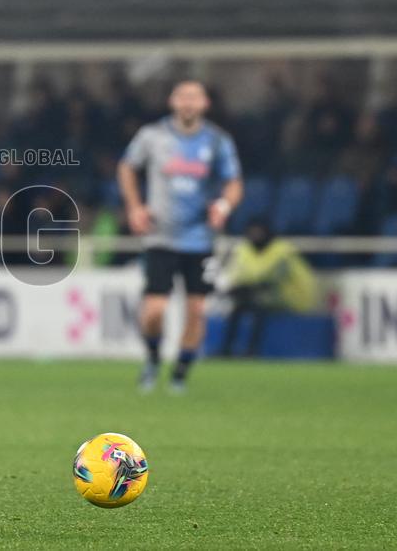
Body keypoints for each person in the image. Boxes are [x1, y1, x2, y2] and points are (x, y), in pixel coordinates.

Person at [117, 80, 243, 393]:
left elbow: (234, 182)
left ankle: (180, 374)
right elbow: (127, 168)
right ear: (172, 101)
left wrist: (224, 206)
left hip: (200, 239)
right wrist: (134, 207)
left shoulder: (216, 141)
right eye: (183, 97)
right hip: (161, 236)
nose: (188, 103)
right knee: (154, 311)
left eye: (195, 97)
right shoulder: (153, 136)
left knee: (196, 310)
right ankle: (153, 359)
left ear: (204, 104)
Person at [221, 218, 318, 357]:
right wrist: (237, 289)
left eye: (259, 232)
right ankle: (227, 350)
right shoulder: (244, 249)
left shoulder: (282, 250)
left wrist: (247, 288)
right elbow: (240, 275)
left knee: (257, 307)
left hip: (293, 297)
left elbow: (276, 279)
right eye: (252, 232)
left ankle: (251, 350)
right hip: (264, 296)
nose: (255, 236)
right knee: (239, 306)